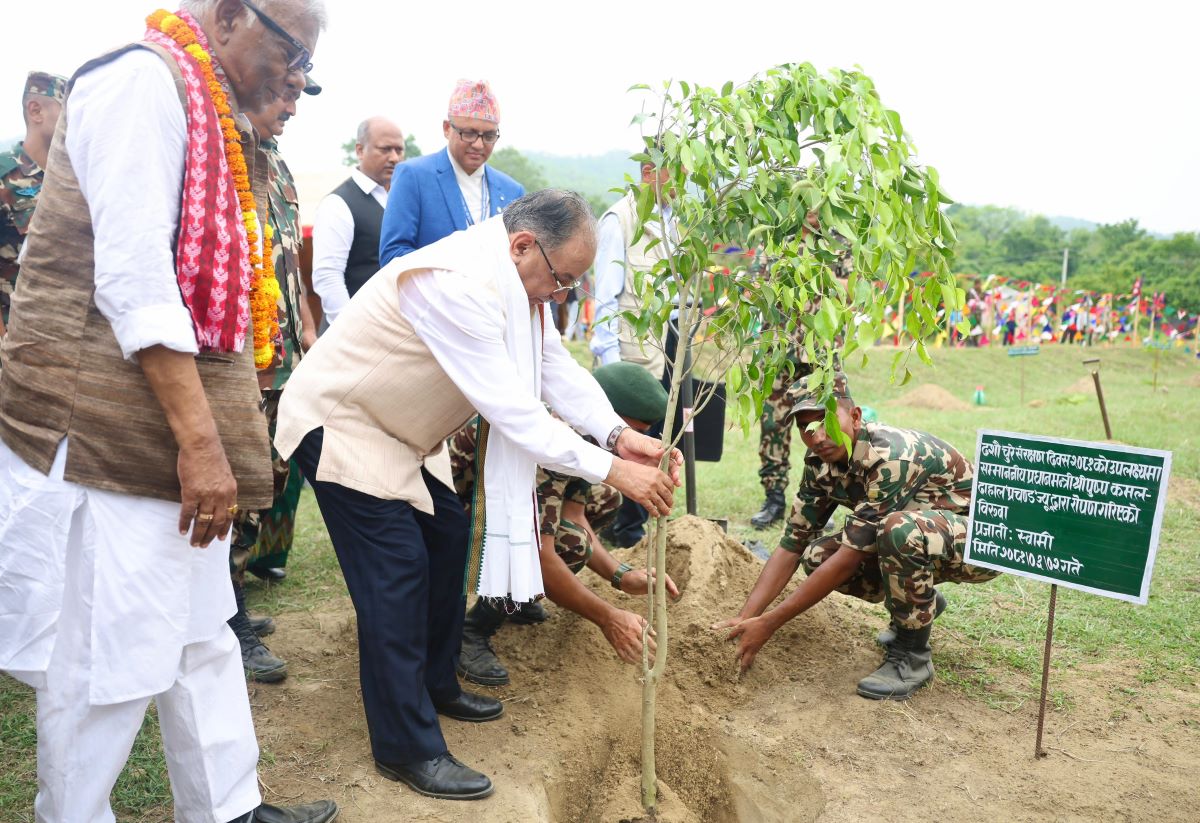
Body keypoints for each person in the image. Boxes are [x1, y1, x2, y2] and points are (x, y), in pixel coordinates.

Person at [0, 2, 338, 820]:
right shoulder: (141, 83)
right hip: (102, 436)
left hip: (170, 440)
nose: (294, 80)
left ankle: (227, 806)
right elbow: (134, 277)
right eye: (290, 53)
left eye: (305, 70)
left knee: (201, 635)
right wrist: (200, 441)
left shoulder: (212, 109)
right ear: (227, 17)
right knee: (104, 664)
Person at [274, 189, 681, 800]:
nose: (561, 295)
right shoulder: (456, 282)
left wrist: (619, 435)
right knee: (398, 571)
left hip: (406, 435)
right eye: (562, 279)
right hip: (345, 423)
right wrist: (614, 471)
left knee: (446, 537)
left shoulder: (518, 281)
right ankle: (406, 746)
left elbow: (553, 368)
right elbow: (515, 412)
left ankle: (437, 682)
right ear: (523, 246)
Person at [715, 372, 1000, 700]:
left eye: (826, 422)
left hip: (981, 542)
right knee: (817, 555)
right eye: (806, 429)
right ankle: (920, 603)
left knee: (898, 530)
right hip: (930, 537)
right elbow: (793, 543)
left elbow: (850, 558)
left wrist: (769, 624)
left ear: (855, 416)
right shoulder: (820, 463)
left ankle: (912, 658)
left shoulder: (890, 457)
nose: (818, 437)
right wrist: (745, 618)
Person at [449, 360, 680, 686]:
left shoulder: (585, 438)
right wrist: (609, 618)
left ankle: (517, 597)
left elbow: (574, 515)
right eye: (636, 432)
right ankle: (472, 629)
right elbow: (542, 556)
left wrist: (621, 576)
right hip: (446, 518)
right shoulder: (550, 441)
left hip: (491, 507)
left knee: (605, 499)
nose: (637, 444)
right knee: (561, 548)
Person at [227, 70, 322, 684]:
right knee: (232, 499)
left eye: (297, 96)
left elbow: (289, 259)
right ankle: (225, 622)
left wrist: (310, 329)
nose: (292, 106)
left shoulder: (277, 165)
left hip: (283, 360)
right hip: (237, 369)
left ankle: (230, 599)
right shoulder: (218, 155)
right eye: (284, 93)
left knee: (264, 490)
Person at [590, 157, 679, 548]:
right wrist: (611, 374)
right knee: (620, 444)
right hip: (625, 361)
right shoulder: (619, 220)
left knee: (652, 444)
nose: (682, 181)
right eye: (677, 171)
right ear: (648, 172)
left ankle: (633, 526)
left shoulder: (671, 220)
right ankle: (618, 529)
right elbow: (606, 298)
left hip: (657, 355)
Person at [749, 239, 851, 530]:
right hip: (779, 351)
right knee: (773, 424)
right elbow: (756, 288)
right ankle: (773, 498)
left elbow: (851, 289)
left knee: (827, 426)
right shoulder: (774, 238)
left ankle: (822, 503)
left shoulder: (838, 239)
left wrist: (811, 274)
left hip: (822, 352)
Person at [378, 79, 524, 266]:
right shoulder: (414, 176)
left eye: (489, 136)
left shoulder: (512, 191)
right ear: (447, 129)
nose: (479, 144)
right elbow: (393, 255)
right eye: (469, 133)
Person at [310, 115, 404, 328]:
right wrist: (351, 330)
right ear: (360, 150)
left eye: (399, 150)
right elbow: (328, 277)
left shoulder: (399, 198)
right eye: (385, 149)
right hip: (353, 335)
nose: (394, 158)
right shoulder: (338, 204)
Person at [0, 70, 66, 336]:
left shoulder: (74, 177)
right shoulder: (5, 176)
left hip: (60, 334)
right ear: (36, 110)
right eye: (68, 112)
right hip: (13, 336)